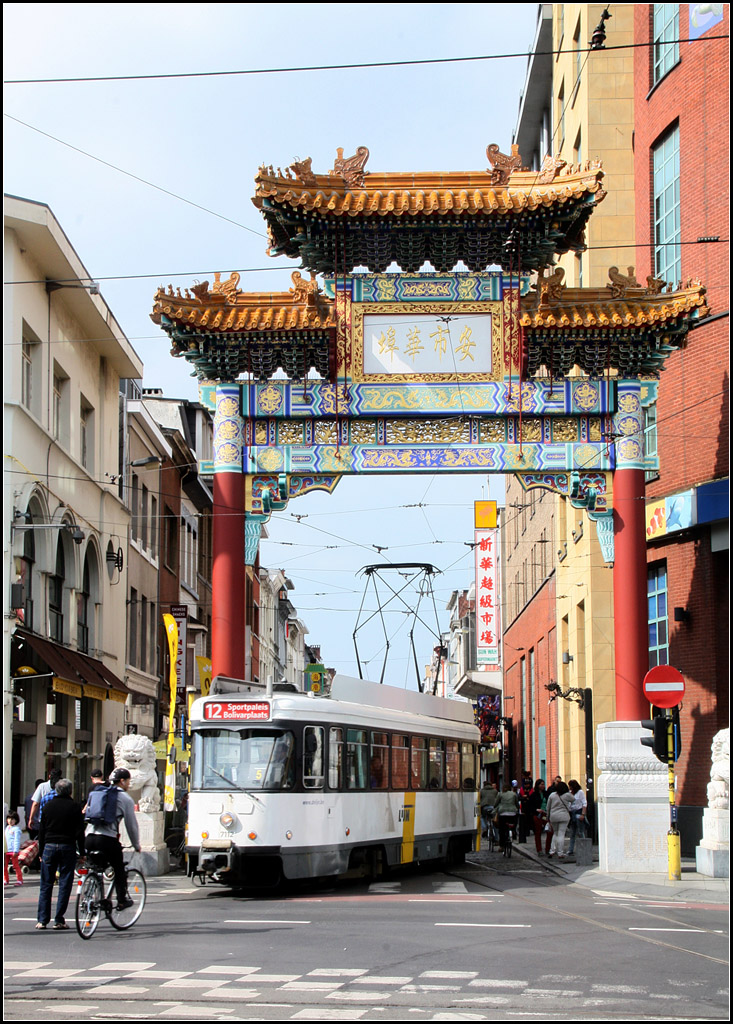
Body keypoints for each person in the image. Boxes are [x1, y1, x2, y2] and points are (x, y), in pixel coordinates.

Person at [84, 766, 141, 910]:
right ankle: (121, 900)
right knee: (119, 868)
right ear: (122, 781)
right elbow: (131, 825)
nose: (129, 784)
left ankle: (94, 894)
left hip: (89, 837)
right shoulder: (125, 799)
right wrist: (136, 844)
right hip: (107, 839)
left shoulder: (98, 792)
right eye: (128, 781)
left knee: (96, 867)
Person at [36, 778, 84, 929]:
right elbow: (79, 832)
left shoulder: (48, 806)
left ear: (56, 790)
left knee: (46, 884)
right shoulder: (75, 807)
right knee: (65, 882)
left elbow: (42, 830)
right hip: (67, 846)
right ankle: (59, 919)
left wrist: (41, 849)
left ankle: (42, 920)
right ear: (70, 791)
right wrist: (82, 852)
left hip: (49, 846)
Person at [28, 768, 62, 833]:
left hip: (45, 818)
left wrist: (31, 818)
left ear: (49, 776)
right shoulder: (62, 786)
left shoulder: (42, 786)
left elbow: (35, 803)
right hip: (59, 818)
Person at [546, 780, 573, 859]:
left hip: (553, 816)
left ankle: (552, 851)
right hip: (564, 816)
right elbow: (573, 799)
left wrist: (548, 817)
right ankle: (560, 853)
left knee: (555, 833)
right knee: (561, 834)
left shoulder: (552, 795)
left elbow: (548, 807)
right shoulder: (567, 795)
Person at [527, 778, 551, 856]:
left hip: (545, 814)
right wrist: (536, 810)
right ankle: (539, 850)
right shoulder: (533, 795)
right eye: (541, 784)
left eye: (543, 784)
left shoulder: (547, 794)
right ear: (537, 785)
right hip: (537, 815)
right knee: (538, 832)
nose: (543, 786)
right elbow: (530, 806)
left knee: (550, 831)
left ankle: (548, 849)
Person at [493, 783, 520, 852]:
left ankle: (502, 846)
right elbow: (517, 804)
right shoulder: (514, 794)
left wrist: (495, 808)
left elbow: (496, 803)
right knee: (513, 823)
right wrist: (517, 809)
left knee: (502, 830)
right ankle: (513, 832)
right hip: (512, 813)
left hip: (503, 813)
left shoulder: (500, 794)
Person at [567, 779, 588, 856]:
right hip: (572, 813)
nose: (570, 788)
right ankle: (570, 849)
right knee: (572, 833)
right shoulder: (569, 793)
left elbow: (584, 803)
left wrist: (583, 814)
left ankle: (583, 849)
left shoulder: (580, 792)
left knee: (580, 832)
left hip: (578, 812)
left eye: (571, 786)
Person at [5, 812, 24, 886]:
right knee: (4, 866)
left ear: (16, 820)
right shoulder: (7, 828)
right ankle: (5, 879)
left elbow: (17, 840)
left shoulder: (16, 829)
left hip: (13, 850)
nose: (10, 820)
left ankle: (19, 880)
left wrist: (16, 850)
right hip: (6, 850)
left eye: (12, 819)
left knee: (15, 865)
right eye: (9, 818)